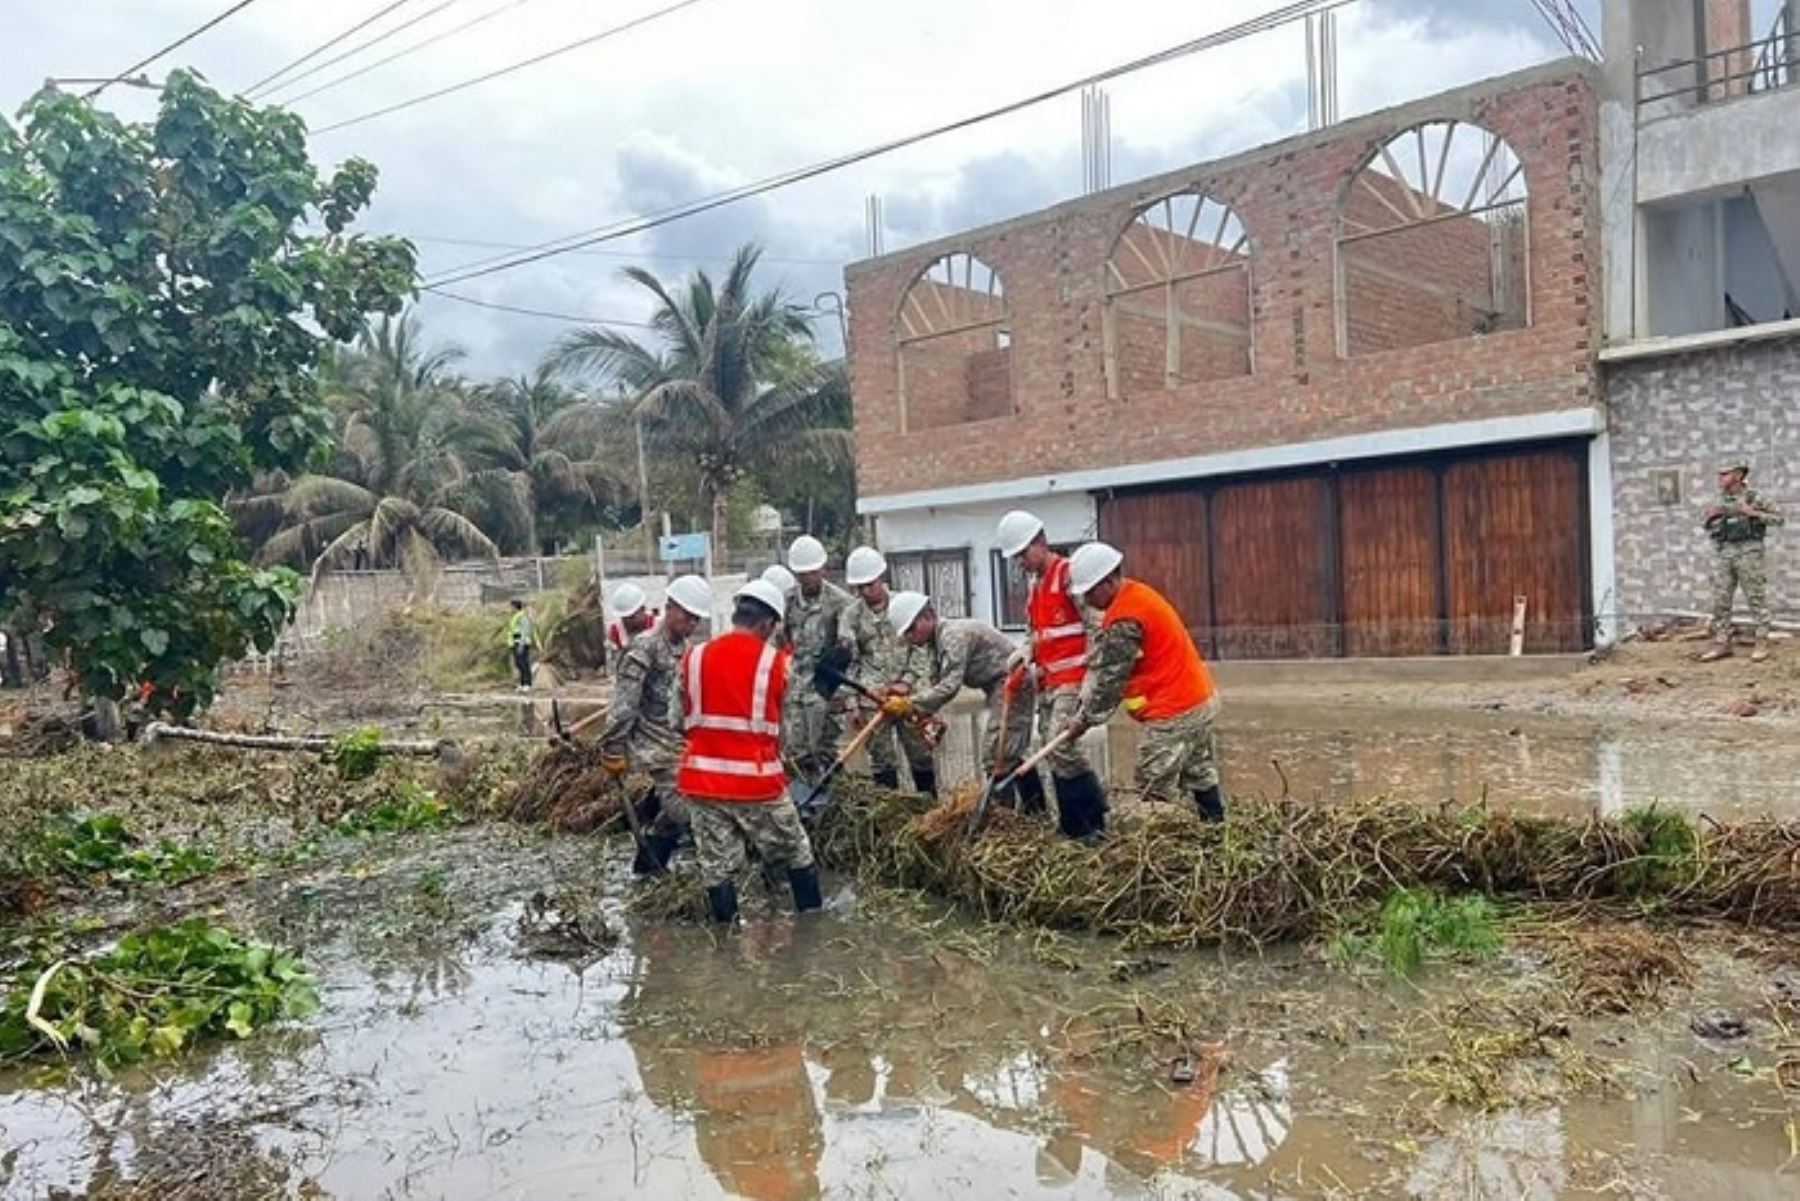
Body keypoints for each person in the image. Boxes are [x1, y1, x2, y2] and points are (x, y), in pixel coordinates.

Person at [678, 578, 822, 924]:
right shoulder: (777, 663)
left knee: (716, 867)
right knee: (796, 851)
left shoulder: (693, 657)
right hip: (756, 782)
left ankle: (726, 946)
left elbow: (675, 718)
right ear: (768, 624)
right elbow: (790, 728)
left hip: (701, 781)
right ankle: (814, 930)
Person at [1062, 542, 1224, 823]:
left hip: (1175, 710)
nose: (1086, 600)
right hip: (1198, 699)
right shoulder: (1137, 594)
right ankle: (1217, 835)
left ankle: (1161, 855)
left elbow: (1111, 682)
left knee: (1153, 788)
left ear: (1109, 581)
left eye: (1090, 592)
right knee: (1199, 774)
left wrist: (1083, 720)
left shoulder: (1125, 618)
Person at [997, 510, 1109, 838]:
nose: (1020, 562)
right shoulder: (1035, 586)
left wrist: (1094, 677)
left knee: (1061, 747)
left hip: (1074, 679)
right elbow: (1037, 632)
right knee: (1051, 748)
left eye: (1023, 553)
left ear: (1041, 541)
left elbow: (1096, 626)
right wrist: (1026, 652)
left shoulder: (1069, 575)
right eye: (1015, 556)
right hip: (1048, 681)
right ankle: (1071, 824)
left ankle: (1093, 819)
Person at [599, 574, 712, 874]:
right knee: (687, 811)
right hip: (655, 745)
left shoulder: (685, 647)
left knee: (687, 808)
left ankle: (648, 869)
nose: (692, 624)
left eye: (696, 619)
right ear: (670, 608)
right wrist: (613, 747)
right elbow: (624, 704)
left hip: (679, 741)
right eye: (688, 616)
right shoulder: (644, 648)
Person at [885, 591, 1038, 808]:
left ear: (927, 616)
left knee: (997, 753)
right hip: (997, 685)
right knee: (1005, 752)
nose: (910, 637)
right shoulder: (934, 643)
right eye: (906, 633)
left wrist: (910, 703)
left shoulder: (952, 636)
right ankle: (1032, 810)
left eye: (911, 629)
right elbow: (936, 683)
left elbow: (949, 686)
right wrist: (924, 716)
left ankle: (1011, 814)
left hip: (1012, 682)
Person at [837, 546, 936, 796]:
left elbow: (923, 648)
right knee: (882, 763)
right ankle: (889, 813)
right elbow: (849, 661)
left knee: (921, 757)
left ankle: (930, 808)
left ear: (882, 577)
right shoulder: (851, 616)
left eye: (869, 584)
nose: (865, 591)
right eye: (859, 587)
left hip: (907, 695)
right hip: (872, 698)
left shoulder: (905, 605)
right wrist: (852, 703)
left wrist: (908, 680)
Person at [781, 535, 851, 782]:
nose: (808, 579)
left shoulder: (840, 602)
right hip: (796, 690)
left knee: (827, 750)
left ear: (822, 569)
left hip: (826, 687)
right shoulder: (787, 601)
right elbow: (780, 642)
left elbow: (847, 652)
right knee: (796, 753)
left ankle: (832, 802)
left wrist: (841, 694)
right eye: (802, 574)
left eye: (812, 572)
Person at [1701, 461, 1784, 663]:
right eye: (1719, 475)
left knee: (1756, 597)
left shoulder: (1755, 497)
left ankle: (1762, 641)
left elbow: (1779, 518)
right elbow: (1709, 526)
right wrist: (1710, 517)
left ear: (1738, 475)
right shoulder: (1719, 499)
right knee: (1721, 599)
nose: (1720, 478)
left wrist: (1753, 513)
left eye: (1725, 474)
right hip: (1724, 553)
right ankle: (1722, 642)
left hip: (1749, 553)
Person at [606, 582, 656, 675]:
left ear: (643, 609)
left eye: (631, 617)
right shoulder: (615, 630)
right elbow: (614, 664)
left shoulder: (655, 625)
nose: (628, 622)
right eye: (624, 618)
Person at [505, 598, 538, 692]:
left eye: (511, 606)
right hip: (515, 643)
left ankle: (527, 683)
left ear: (515, 607)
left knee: (524, 664)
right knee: (518, 664)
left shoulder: (522, 615)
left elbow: (525, 629)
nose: (509, 609)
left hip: (522, 643)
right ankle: (522, 683)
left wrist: (521, 644)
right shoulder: (514, 616)